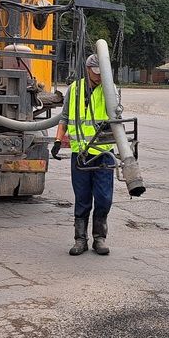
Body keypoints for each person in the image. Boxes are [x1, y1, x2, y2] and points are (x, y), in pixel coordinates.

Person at [52, 53, 115, 256]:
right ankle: (80, 239)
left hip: (103, 154)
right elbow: (65, 117)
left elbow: (117, 119)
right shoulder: (75, 89)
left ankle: (99, 238)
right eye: (95, 73)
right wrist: (57, 140)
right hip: (80, 154)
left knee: (104, 198)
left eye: (101, 72)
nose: (98, 76)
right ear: (87, 69)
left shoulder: (110, 89)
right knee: (82, 198)